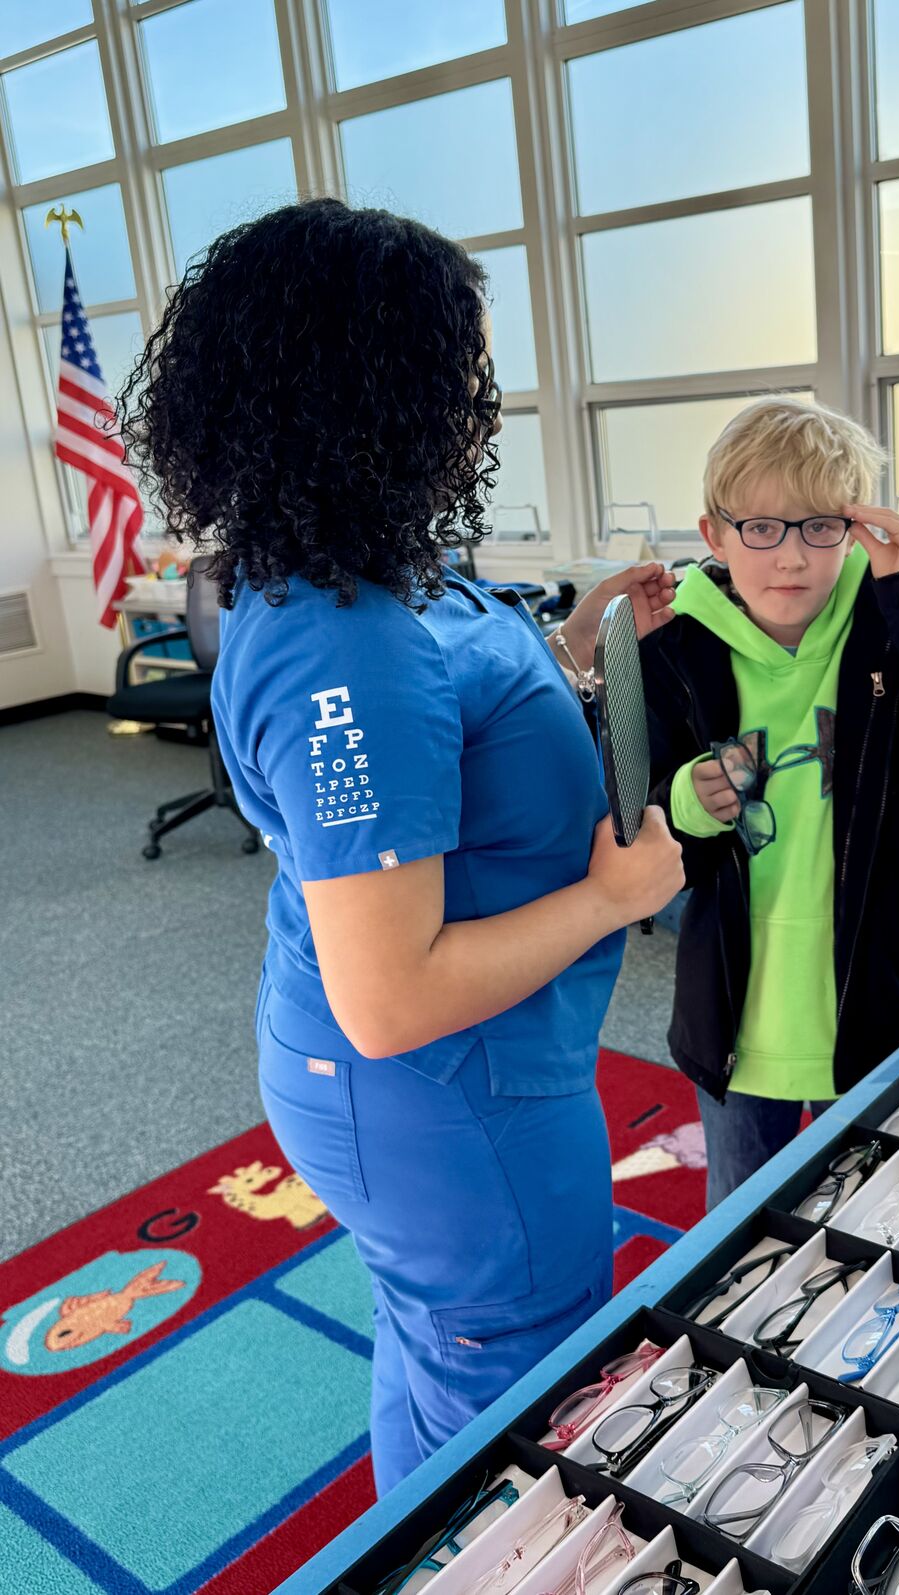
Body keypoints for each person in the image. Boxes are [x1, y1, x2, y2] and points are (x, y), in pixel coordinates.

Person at [117, 197, 683, 1494]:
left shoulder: (368, 564)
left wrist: (572, 647)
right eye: (461, 372)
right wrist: (613, 895)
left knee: (440, 1352)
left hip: (446, 1081)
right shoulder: (343, 634)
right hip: (441, 1095)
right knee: (511, 1409)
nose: (480, 404)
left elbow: (441, 730)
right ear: (369, 385)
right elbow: (393, 996)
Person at [639, 397, 899, 1209]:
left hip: (889, 1013)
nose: (790, 556)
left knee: (894, 1226)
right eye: (761, 527)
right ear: (715, 535)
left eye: (819, 526)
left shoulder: (895, 627)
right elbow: (638, 832)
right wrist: (688, 806)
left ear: (855, 527)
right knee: (739, 1241)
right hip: (738, 1031)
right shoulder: (673, 648)